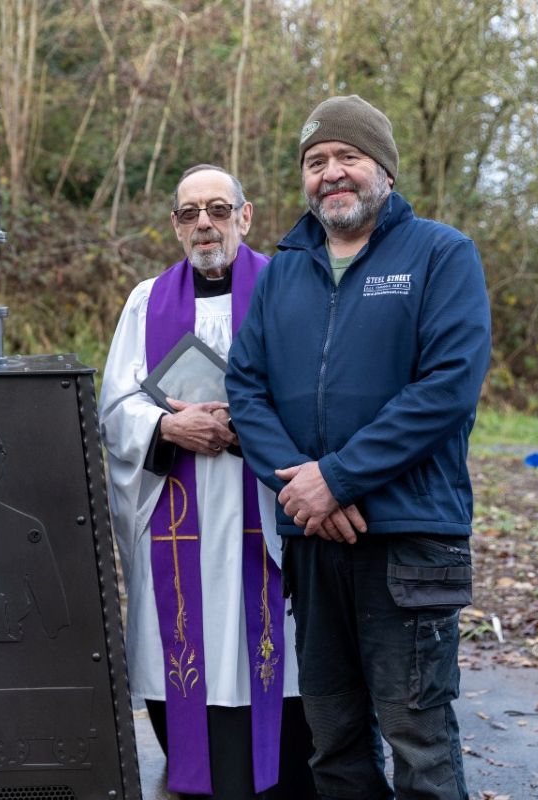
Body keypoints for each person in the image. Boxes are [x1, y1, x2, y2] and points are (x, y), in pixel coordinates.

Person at [225, 96, 491, 800]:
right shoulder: (283, 272)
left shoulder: (441, 255)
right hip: (313, 540)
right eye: (317, 163)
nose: (332, 174)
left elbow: (447, 388)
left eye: (348, 157)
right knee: (333, 740)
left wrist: (338, 479)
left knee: (419, 741)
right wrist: (304, 489)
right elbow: (245, 390)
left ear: (386, 171)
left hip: (408, 539)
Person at [99, 165, 315, 799]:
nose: (204, 223)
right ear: (174, 225)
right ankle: (194, 776)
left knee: (278, 657)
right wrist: (169, 426)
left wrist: (256, 429)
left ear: (245, 218)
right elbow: (115, 408)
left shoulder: (289, 290)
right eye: (190, 212)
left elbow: (320, 397)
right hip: (179, 511)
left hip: (265, 508)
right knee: (188, 654)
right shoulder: (146, 302)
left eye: (218, 210)